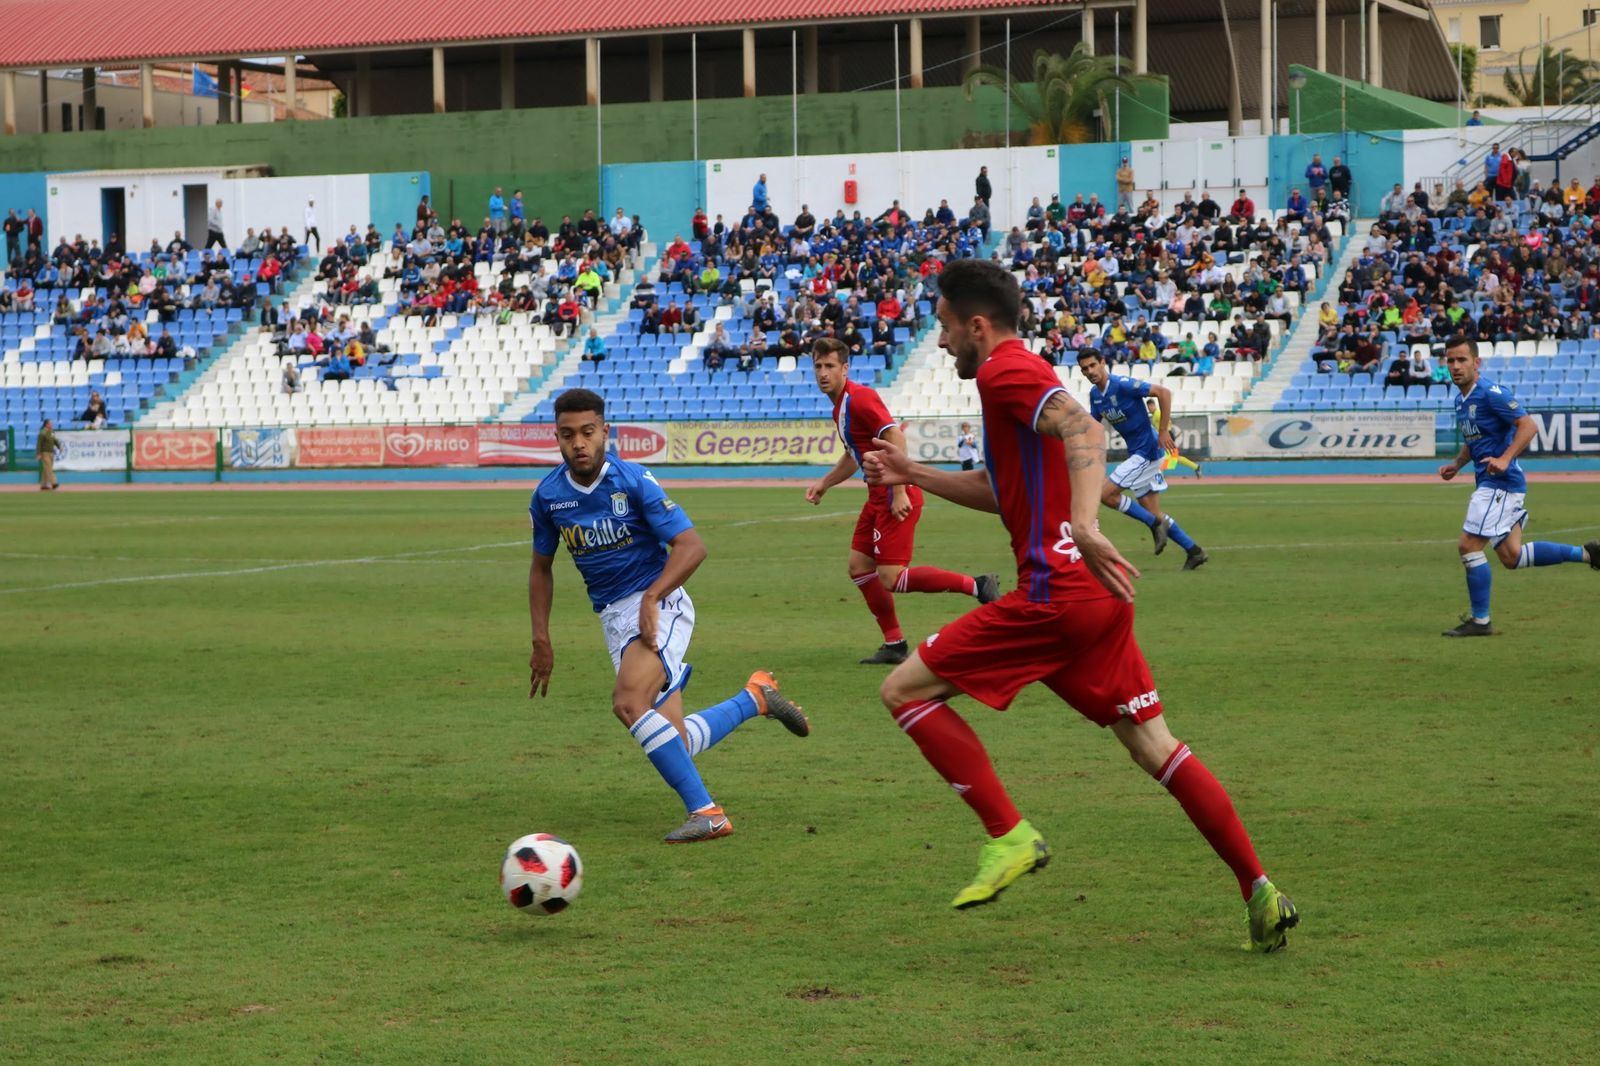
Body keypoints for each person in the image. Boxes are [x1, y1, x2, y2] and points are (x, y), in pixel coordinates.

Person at [858, 258, 1297, 951]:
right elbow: (1001, 489)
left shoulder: (1006, 370)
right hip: (1096, 602)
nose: (939, 343)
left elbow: (1084, 431)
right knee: (1157, 747)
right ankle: (1260, 890)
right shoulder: (1008, 384)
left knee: (904, 691)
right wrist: (912, 472)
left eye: (944, 328)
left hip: (1054, 599)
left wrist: (1088, 525)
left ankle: (1008, 835)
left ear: (977, 325)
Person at [527, 388, 811, 842]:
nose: (578, 443)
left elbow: (692, 546)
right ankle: (754, 697)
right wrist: (541, 637)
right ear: (556, 438)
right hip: (614, 619)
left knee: (628, 703)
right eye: (567, 435)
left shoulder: (633, 480)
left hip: (660, 605)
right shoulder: (548, 497)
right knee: (674, 741)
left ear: (605, 432)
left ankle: (708, 812)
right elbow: (541, 568)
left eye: (586, 432)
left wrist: (652, 596)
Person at [804, 338, 1001, 664]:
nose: (823, 373)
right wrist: (825, 483)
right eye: (818, 366)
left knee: (892, 578)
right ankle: (894, 644)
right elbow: (855, 455)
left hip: (895, 493)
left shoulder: (860, 398)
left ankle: (978, 585)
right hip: (877, 494)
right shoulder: (840, 405)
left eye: (829, 366)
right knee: (859, 568)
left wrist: (898, 490)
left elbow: (893, 435)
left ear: (845, 368)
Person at [1436, 338, 1597, 636]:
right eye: (1450, 361)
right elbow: (1474, 441)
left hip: (1500, 483)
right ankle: (1588, 554)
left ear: (1476, 362)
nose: (1456, 366)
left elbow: (1528, 425)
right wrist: (1457, 465)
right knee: (1512, 557)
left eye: (1462, 360)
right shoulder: (1461, 399)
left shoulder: (1490, 393)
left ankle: (1480, 621)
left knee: (1468, 546)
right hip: (1493, 482)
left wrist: (1506, 458)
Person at [1074, 349, 1209, 568]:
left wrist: (1164, 431)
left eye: (1092, 365)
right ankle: (1194, 551)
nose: (1089, 371)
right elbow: (1095, 425)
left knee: (1105, 494)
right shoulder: (1095, 395)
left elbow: (1163, 393)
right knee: (1152, 511)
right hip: (1138, 453)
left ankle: (1154, 524)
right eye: (1084, 369)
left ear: (1102, 362)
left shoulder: (1123, 385)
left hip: (1147, 452)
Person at [36, 418, 60, 491]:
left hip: (51, 452)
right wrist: (38, 453)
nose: (52, 425)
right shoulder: (42, 433)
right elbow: (39, 444)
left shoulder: (51, 432)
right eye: (50, 424)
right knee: (49, 468)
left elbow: (55, 440)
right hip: (45, 453)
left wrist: (59, 446)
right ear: (46, 424)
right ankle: (54, 483)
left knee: (46, 469)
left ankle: (44, 485)